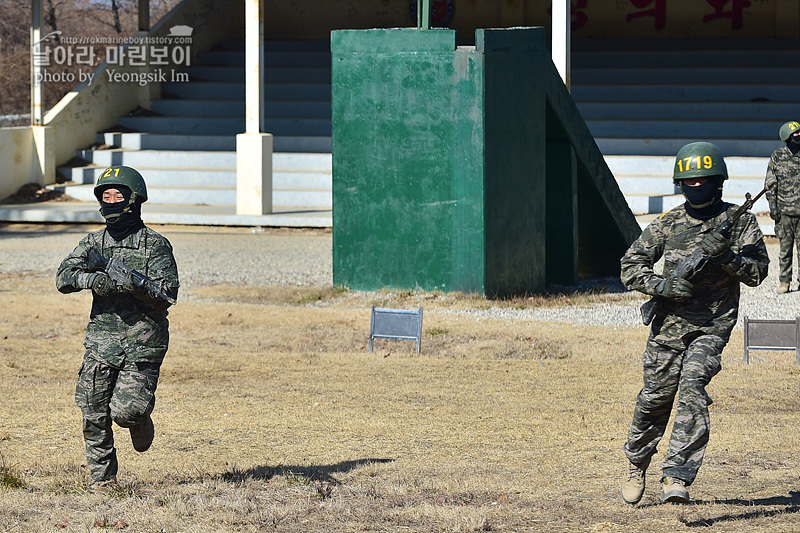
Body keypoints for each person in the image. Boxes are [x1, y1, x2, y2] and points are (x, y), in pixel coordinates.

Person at [619, 142, 768, 504]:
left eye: (705, 180)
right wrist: (661, 286)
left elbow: (758, 273)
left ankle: (676, 476)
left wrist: (728, 257)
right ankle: (637, 463)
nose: (697, 187)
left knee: (692, 390)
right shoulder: (667, 224)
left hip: (712, 327)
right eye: (690, 181)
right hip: (668, 326)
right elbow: (629, 266)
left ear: (719, 183)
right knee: (655, 398)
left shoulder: (741, 222)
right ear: (679, 184)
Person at [56, 166, 179, 490]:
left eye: (118, 195)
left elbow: (168, 297)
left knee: (125, 411)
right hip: (102, 340)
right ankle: (103, 480)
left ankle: (139, 419)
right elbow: (63, 276)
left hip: (143, 339)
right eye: (105, 195)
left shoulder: (155, 245)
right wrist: (93, 279)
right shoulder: (94, 241)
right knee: (92, 410)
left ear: (134, 200)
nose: (111, 201)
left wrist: (132, 286)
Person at [765, 120, 800, 293]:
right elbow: (770, 184)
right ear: (787, 136)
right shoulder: (777, 157)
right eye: (796, 133)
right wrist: (773, 208)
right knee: (785, 250)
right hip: (785, 212)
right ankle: (784, 281)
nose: (799, 136)